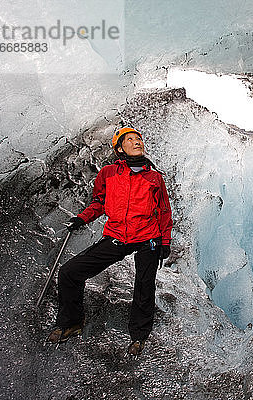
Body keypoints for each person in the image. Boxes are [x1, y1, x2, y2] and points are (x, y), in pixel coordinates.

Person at [47, 127, 173, 356]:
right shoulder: (109, 173)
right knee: (69, 272)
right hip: (117, 236)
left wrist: (165, 240)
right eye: (131, 140)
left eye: (139, 139)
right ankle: (72, 322)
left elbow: (164, 211)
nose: (137, 142)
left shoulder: (154, 177)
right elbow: (99, 202)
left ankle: (139, 336)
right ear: (119, 148)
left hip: (148, 238)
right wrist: (82, 219)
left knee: (144, 286)